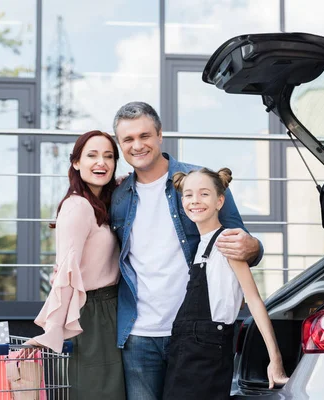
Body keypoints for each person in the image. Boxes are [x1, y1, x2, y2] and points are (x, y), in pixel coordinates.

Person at [110, 101, 264, 400]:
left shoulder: (199, 181)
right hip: (139, 335)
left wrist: (254, 247)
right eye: (128, 139)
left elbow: (240, 241)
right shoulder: (118, 196)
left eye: (145, 136)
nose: (137, 145)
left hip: (197, 333)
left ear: (160, 136)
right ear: (120, 144)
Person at [163, 167, 288, 400]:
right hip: (185, 348)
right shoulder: (201, 244)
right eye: (188, 195)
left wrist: (276, 360)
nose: (195, 201)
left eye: (204, 194)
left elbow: (253, 299)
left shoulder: (228, 241)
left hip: (207, 353)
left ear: (220, 201)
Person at [25, 130, 126, 400]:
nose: (101, 163)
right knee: (96, 392)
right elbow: (65, 271)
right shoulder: (77, 207)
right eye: (91, 155)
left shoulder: (101, 203)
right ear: (76, 162)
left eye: (108, 156)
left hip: (111, 310)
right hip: (90, 315)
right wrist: (53, 329)